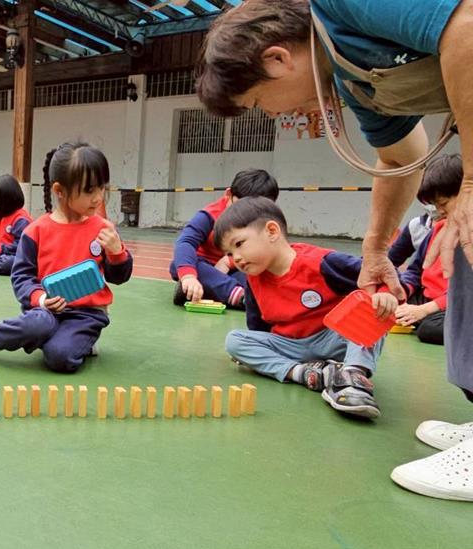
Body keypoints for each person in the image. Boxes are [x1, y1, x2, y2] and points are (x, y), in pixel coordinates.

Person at [195, 0, 473, 500]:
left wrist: (471, 181)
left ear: (278, 59)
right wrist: (375, 250)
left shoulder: (342, 5)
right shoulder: (350, 78)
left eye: (260, 103)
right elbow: (401, 157)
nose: (274, 115)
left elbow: (466, 26)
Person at [0, 142, 133, 373]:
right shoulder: (36, 231)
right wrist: (41, 299)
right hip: (45, 311)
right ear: (60, 190)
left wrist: (117, 252)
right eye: (90, 190)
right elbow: (22, 277)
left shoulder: (104, 229)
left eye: (102, 188)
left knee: (60, 358)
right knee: (40, 323)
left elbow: (118, 277)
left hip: (86, 315)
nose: (98, 197)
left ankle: (74, 339)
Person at [218, 198, 397, 419]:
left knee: (372, 312)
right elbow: (258, 330)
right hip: (292, 346)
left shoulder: (320, 262)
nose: (235, 258)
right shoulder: (253, 282)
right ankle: (305, 374)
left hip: (335, 339)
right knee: (235, 341)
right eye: (229, 253)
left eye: (238, 244)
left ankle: (351, 379)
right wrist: (254, 355)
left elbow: (376, 273)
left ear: (272, 231)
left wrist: (385, 293)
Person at [170, 169, 280, 308]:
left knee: (259, 274)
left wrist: (229, 262)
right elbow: (186, 242)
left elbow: (269, 251)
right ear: (229, 194)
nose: (248, 215)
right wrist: (189, 277)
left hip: (238, 268)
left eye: (257, 210)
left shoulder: (266, 222)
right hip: (206, 268)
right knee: (179, 265)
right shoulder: (209, 215)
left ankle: (205, 292)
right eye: (242, 207)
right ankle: (238, 296)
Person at [397, 154, 463, 345]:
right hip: (427, 298)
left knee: (429, 329)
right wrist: (401, 292)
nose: (439, 211)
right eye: (435, 205)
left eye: (443, 204)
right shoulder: (439, 228)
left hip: (454, 305)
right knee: (385, 307)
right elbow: (415, 271)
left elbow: (464, 292)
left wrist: (425, 310)